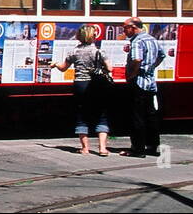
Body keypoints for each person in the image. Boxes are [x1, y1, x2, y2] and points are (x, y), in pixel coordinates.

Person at [51, 25, 111, 156]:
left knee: (82, 114)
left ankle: (85, 148)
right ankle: (102, 149)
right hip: (97, 84)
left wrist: (55, 64)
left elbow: (63, 68)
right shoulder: (99, 52)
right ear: (93, 36)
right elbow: (110, 68)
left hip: (80, 84)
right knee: (101, 115)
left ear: (79, 37)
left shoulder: (74, 52)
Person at [121, 17, 163, 157]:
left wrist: (131, 75)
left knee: (137, 116)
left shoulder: (137, 41)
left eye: (125, 27)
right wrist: (151, 67)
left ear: (133, 27)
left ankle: (138, 149)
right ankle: (152, 146)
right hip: (150, 82)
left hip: (138, 82)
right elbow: (162, 55)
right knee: (151, 115)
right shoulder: (151, 39)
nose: (124, 30)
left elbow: (137, 59)